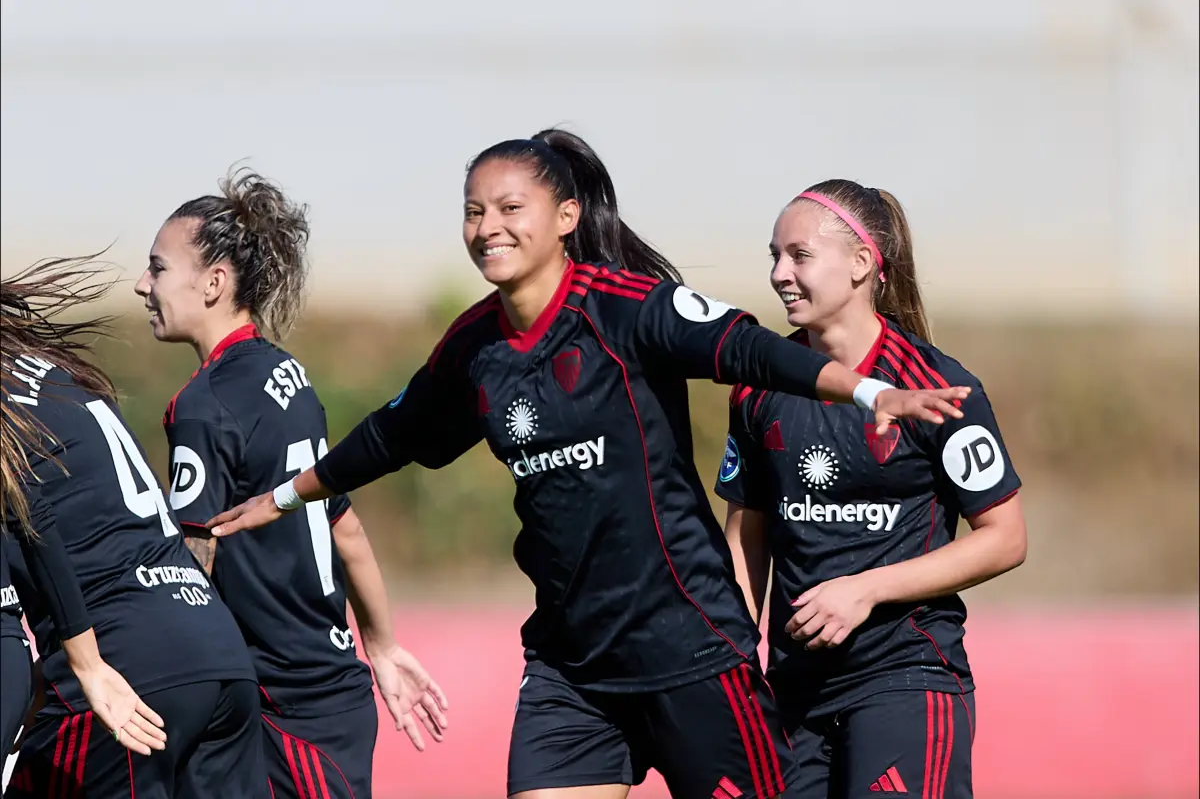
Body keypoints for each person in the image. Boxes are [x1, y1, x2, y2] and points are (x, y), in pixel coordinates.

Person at [207, 130, 971, 799]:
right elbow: (393, 434)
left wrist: (870, 390)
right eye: (474, 211)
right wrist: (284, 497)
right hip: (570, 667)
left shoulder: (630, 308)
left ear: (566, 218)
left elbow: (751, 348)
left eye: (511, 209)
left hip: (691, 651)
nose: (488, 228)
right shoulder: (476, 346)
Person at [133, 168, 449, 799]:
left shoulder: (203, 403)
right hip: (334, 684)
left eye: (158, 268)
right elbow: (344, 525)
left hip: (285, 703)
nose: (143, 285)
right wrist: (380, 647)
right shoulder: (287, 374)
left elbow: (193, 559)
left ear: (215, 282)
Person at [714, 180, 1028, 798]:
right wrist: (727, 664)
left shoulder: (935, 385)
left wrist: (864, 591)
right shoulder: (757, 387)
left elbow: (1005, 538)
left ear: (863, 263)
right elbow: (745, 543)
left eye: (799, 255)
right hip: (793, 690)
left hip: (906, 678)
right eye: (774, 256)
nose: (780, 273)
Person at [1, 258, 267, 797]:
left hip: (125, 671)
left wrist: (88, 667)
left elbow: (34, 520)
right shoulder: (54, 373)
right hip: (217, 651)